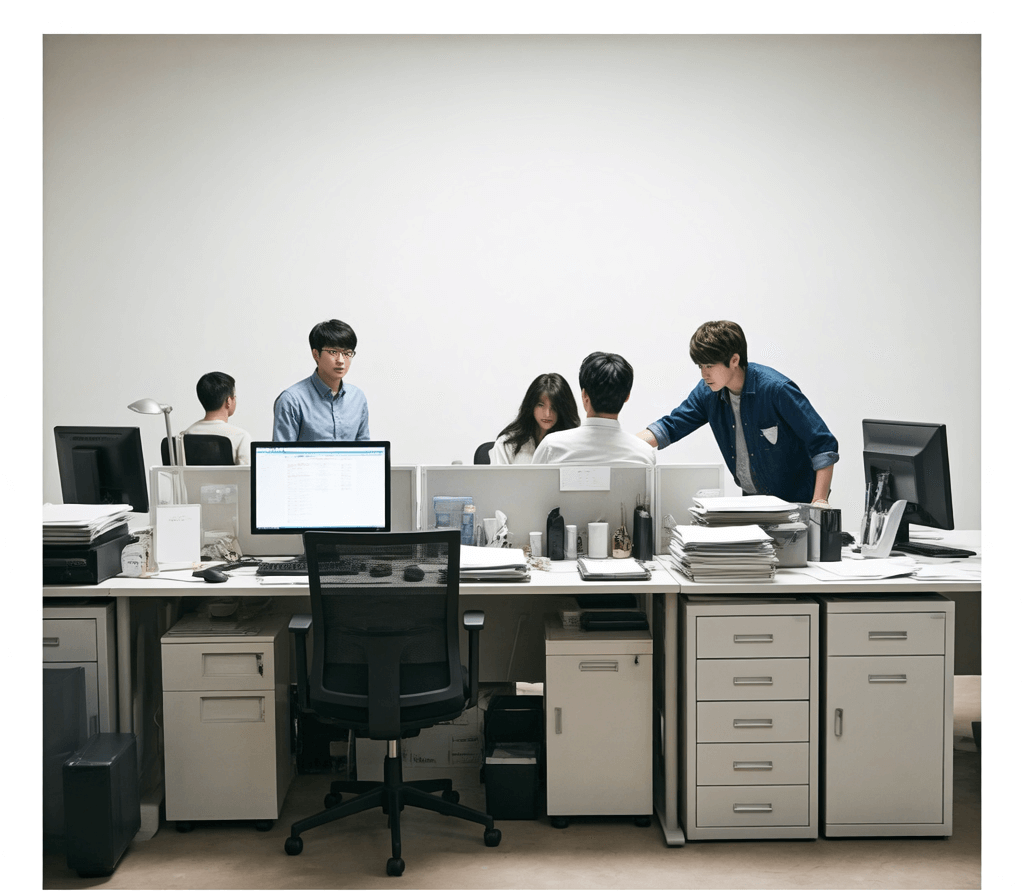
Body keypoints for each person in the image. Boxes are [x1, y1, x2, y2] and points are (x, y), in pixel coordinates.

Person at [637, 320, 838, 504]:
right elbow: (671, 426)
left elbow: (823, 444)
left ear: (734, 360)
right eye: (700, 366)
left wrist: (819, 502)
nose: (704, 374)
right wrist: (625, 443)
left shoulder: (776, 389)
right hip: (752, 504)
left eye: (709, 365)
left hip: (797, 506)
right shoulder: (707, 393)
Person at [532, 352, 655, 466]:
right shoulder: (644, 454)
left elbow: (532, 483)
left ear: (584, 395)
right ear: (627, 396)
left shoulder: (551, 447)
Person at [273, 319, 370, 442]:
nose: (341, 360)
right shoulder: (291, 400)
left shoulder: (357, 398)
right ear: (316, 354)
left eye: (347, 353)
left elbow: (364, 449)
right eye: (333, 352)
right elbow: (282, 452)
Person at [489, 373, 581, 464]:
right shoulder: (506, 444)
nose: (547, 414)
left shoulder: (572, 446)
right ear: (531, 405)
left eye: (554, 407)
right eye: (540, 405)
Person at [183, 371, 252, 465]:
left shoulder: (186, 435)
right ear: (228, 401)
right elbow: (248, 473)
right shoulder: (241, 437)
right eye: (234, 397)